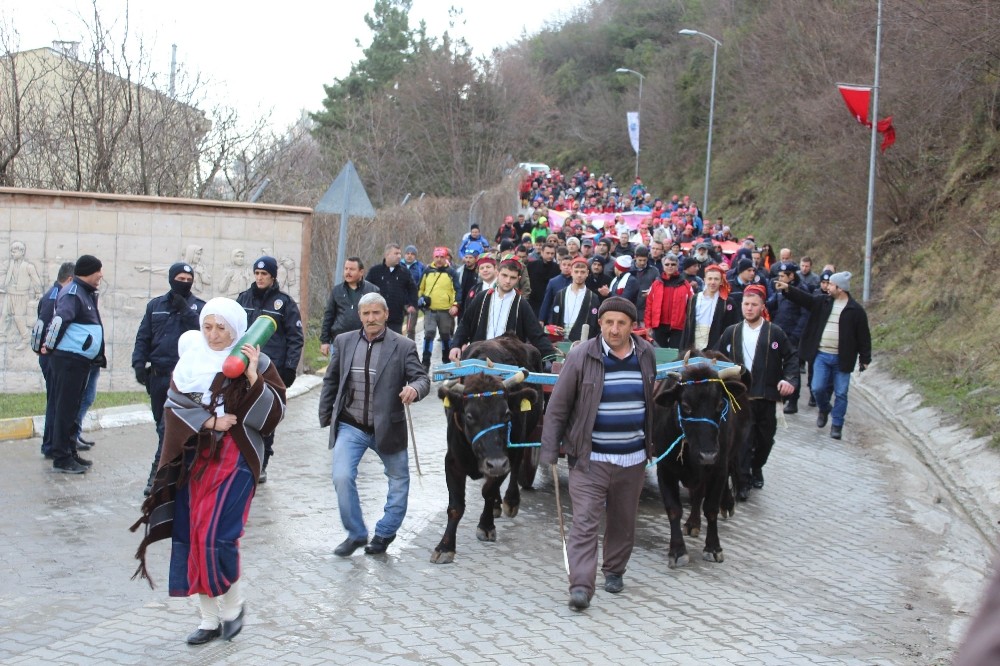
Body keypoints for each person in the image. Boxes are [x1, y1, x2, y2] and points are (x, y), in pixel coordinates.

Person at [131, 297, 286, 646]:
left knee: (218, 536)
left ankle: (233, 608)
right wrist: (209, 420)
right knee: (191, 536)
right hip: (194, 459)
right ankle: (208, 619)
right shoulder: (189, 362)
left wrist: (253, 378)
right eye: (208, 327)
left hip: (236, 459)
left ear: (236, 329)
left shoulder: (257, 360)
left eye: (222, 328)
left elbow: (274, 415)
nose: (214, 335)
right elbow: (174, 407)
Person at [540, 297, 657, 610]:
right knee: (585, 522)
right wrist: (550, 451)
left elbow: (650, 401)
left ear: (633, 327)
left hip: (632, 459)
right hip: (589, 458)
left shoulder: (646, 354)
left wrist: (650, 446)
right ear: (601, 324)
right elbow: (558, 407)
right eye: (608, 322)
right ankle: (580, 585)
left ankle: (615, 570)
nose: (614, 329)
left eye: (621, 323)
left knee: (623, 520)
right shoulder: (581, 356)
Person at [318, 293, 430, 557]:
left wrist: (414, 389)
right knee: (342, 476)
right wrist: (326, 413)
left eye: (376, 313)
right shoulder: (344, 342)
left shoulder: (403, 346)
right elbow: (331, 380)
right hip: (351, 425)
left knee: (399, 480)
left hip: (388, 427)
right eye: (366, 314)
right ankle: (356, 533)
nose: (371, 319)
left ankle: (385, 533)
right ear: (360, 316)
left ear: (386, 314)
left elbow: (422, 378)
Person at [716, 284, 798, 501]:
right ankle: (742, 482)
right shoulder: (731, 332)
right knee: (743, 440)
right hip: (740, 397)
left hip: (766, 395)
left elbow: (791, 357)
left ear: (762, 307)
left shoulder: (775, 332)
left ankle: (757, 466)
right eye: (746, 304)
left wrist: (788, 380)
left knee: (764, 440)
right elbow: (715, 358)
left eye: (754, 305)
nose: (749, 308)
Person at [132, 262, 206, 495]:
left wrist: (185, 310)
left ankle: (158, 476)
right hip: (159, 376)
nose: (183, 283)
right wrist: (138, 364)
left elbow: (204, 335)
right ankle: (176, 466)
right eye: (180, 278)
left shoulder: (199, 308)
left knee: (168, 427)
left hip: (184, 378)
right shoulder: (155, 306)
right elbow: (143, 337)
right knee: (161, 425)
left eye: (188, 279)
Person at [776, 271, 871, 440]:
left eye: (831, 285)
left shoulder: (855, 310)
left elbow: (864, 336)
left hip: (843, 359)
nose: (827, 287)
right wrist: (788, 289)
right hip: (821, 355)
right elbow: (806, 300)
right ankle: (825, 408)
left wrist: (865, 359)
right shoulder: (823, 302)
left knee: (841, 393)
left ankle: (837, 425)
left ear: (840, 288)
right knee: (817, 388)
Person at [236, 256, 303, 482]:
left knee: (266, 415)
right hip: (244, 368)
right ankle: (241, 459)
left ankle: (261, 462)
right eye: (257, 273)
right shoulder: (243, 298)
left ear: (272, 276)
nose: (260, 277)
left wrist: (289, 369)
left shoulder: (284, 303)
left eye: (264, 274)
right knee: (241, 414)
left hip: (270, 370)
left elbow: (295, 338)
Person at [40, 255, 105, 474]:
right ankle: (61, 458)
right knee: (65, 410)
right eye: (99, 271)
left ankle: (70, 451)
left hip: (79, 361)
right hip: (68, 361)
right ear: (88, 271)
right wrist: (49, 347)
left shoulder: (85, 293)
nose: (101, 275)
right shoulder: (73, 292)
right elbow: (59, 322)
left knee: (73, 408)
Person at [450, 259, 557, 363]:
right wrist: (456, 345)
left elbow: (536, 333)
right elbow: (465, 324)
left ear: (518, 279)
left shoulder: (521, 304)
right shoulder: (482, 297)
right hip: (479, 355)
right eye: (504, 275)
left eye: (512, 277)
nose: (508, 281)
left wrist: (552, 356)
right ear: (497, 273)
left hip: (508, 359)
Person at [34, 261, 75, 460]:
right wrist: (46, 348)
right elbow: (44, 325)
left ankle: (50, 443)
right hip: (51, 357)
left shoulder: (54, 294)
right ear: (69, 279)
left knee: (56, 402)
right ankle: (50, 445)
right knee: (55, 403)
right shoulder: (55, 296)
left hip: (50, 355)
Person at [766, 261, 810, 414]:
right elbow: (773, 305)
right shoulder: (779, 289)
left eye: (783, 276)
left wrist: (795, 335)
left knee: (792, 368)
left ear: (791, 276)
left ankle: (793, 399)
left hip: (792, 336)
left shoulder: (801, 291)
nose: (780, 278)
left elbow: (804, 316)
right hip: (778, 332)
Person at [319, 257, 380, 357]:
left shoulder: (372, 290)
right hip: (339, 342)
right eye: (346, 269)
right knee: (338, 372)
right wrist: (325, 341)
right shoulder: (337, 291)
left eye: (352, 269)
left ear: (361, 272)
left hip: (365, 342)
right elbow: (328, 316)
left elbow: (379, 317)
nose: (348, 272)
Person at [417, 247, 459, 370]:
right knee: (428, 335)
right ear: (433, 257)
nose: (439, 259)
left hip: (446, 311)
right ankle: (425, 362)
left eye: (442, 257)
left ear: (446, 258)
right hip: (430, 310)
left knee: (446, 336)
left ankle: (446, 362)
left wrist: (456, 304)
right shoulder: (427, 271)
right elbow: (420, 288)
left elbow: (458, 290)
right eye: (437, 257)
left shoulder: (452, 272)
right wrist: (421, 299)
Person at [679, 264, 737, 352]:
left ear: (721, 281)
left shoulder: (727, 302)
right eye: (710, 279)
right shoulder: (694, 299)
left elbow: (730, 328)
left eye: (716, 279)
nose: (713, 282)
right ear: (705, 280)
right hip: (694, 345)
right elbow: (688, 325)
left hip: (715, 348)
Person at [366, 243, 418, 335]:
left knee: (394, 341)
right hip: (377, 315)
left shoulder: (404, 272)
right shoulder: (375, 271)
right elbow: (366, 288)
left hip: (396, 316)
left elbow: (412, 289)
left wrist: (412, 304)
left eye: (399, 254)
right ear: (387, 255)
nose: (398, 256)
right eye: (395, 253)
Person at [644, 253, 693, 349]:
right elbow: (649, 305)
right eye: (667, 264)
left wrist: (688, 326)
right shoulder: (656, 283)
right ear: (663, 266)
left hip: (678, 326)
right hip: (659, 325)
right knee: (659, 353)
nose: (670, 266)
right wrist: (648, 325)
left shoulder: (685, 284)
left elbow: (691, 306)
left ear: (677, 266)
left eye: (673, 264)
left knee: (675, 355)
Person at [549, 257, 601, 342]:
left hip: (582, 341)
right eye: (576, 271)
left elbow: (594, 323)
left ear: (587, 273)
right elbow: (553, 317)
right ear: (571, 272)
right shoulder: (561, 294)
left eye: (582, 272)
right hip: (560, 339)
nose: (579, 275)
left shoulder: (593, 297)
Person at [401, 245, 425, 341]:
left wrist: (421, 297)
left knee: (410, 328)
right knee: (397, 326)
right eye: (408, 253)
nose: (410, 256)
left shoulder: (420, 267)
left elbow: (424, 283)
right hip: (400, 300)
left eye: (412, 254)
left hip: (413, 301)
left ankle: (411, 347)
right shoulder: (398, 265)